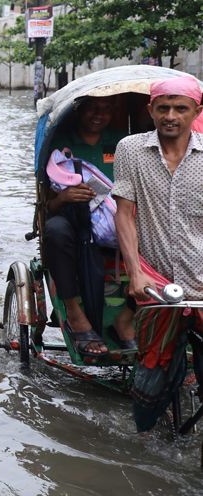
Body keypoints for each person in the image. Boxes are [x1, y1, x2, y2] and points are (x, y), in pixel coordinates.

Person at [113, 74, 203, 432]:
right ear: (150, 110)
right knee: (150, 377)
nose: (171, 116)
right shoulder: (131, 149)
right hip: (156, 282)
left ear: (196, 111)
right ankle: (145, 441)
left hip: (200, 277)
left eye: (180, 108)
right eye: (163, 108)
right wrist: (135, 271)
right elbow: (124, 212)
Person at [43, 96, 130, 355]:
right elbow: (48, 207)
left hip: (121, 217)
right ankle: (74, 310)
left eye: (105, 109)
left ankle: (128, 316)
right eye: (92, 108)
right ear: (79, 111)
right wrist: (64, 197)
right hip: (73, 222)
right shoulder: (61, 144)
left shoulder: (122, 142)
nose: (98, 115)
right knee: (55, 230)